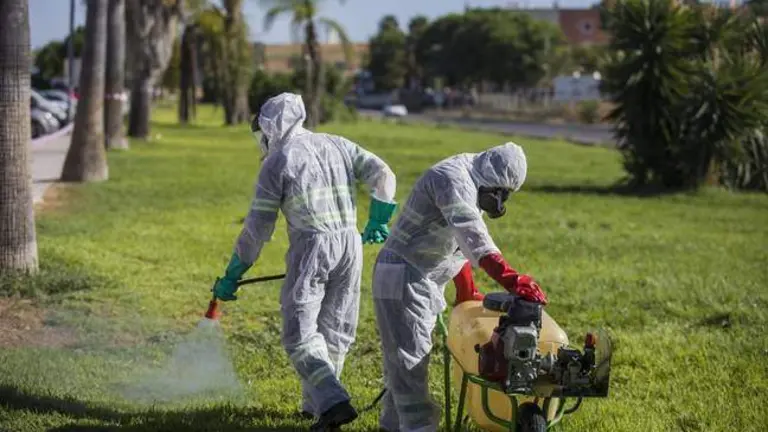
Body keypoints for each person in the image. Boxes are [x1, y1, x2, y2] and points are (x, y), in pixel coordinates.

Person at [212, 93, 398, 431]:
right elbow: (383, 173)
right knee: (335, 329)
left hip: (312, 247)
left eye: (261, 132)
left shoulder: (277, 162)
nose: (261, 140)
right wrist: (379, 217)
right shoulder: (337, 144)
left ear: (270, 126)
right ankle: (317, 408)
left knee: (298, 333)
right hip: (349, 245)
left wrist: (234, 272)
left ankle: (333, 402)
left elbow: (257, 229)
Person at [371, 142, 548, 432]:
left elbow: (456, 242)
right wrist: (514, 280)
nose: (501, 204)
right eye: (502, 195)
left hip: (419, 277)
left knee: (404, 362)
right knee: (410, 362)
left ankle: (392, 426)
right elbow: (473, 237)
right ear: (493, 184)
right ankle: (418, 428)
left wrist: (466, 288)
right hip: (403, 276)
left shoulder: (474, 177)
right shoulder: (452, 179)